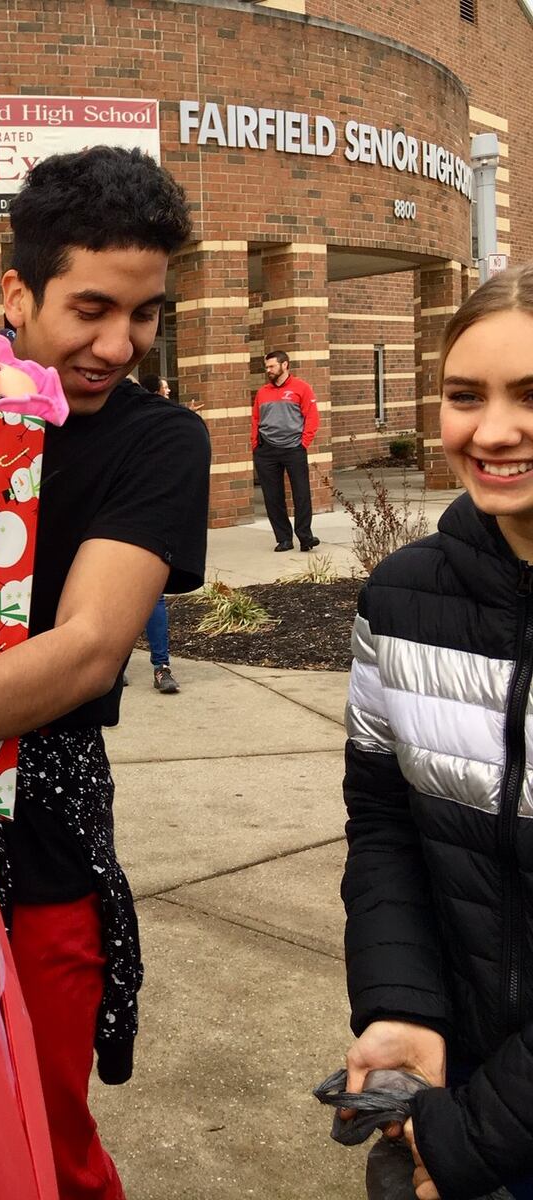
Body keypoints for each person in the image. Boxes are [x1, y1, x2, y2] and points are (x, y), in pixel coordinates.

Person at [0, 148, 211, 1200]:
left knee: (39, 1132)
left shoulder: (158, 442)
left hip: (41, 826)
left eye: (143, 316)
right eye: (90, 308)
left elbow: (90, 648)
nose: (117, 346)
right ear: (16, 292)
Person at [341, 264, 533, 1200]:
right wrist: (403, 1007)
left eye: (531, 398)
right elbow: (383, 823)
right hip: (455, 1090)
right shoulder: (401, 597)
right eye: (466, 396)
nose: (492, 432)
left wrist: (477, 1138)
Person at [135, 373, 183, 695]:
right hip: (121, 518)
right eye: (165, 390)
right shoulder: (135, 424)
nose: (168, 394)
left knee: (153, 596)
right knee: (111, 596)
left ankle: (161, 666)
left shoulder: (169, 426)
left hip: (153, 520)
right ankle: (115, 666)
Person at [251, 349, 320, 552]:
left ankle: (305, 537)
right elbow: (256, 419)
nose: (268, 371)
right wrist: (256, 444)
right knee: (273, 497)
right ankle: (284, 539)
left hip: (294, 449)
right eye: (266, 367)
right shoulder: (262, 392)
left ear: (285, 365)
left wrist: (303, 443)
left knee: (301, 494)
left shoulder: (302, 388)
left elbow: (312, 418)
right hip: (266, 451)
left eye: (272, 366)